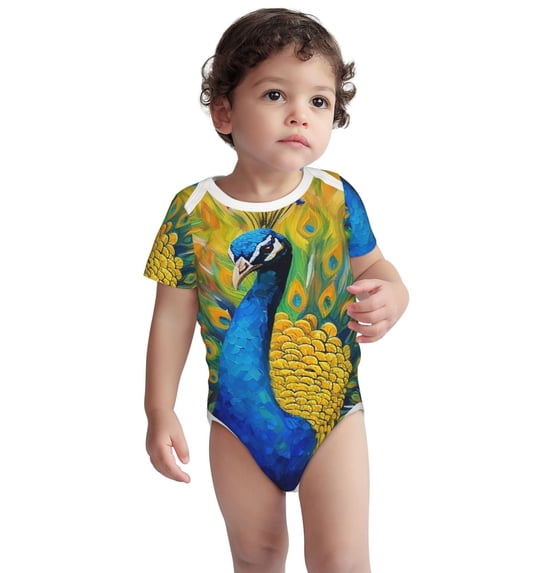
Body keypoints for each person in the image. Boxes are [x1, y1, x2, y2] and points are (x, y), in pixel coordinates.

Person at [143, 8, 408, 573]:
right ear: (224, 111)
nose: (299, 114)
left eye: (319, 101)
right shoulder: (191, 210)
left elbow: (377, 267)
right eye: (274, 95)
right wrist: (158, 408)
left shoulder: (336, 196)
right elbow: (171, 316)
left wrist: (394, 295)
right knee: (256, 555)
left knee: (341, 559)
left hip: (332, 412)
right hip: (235, 421)